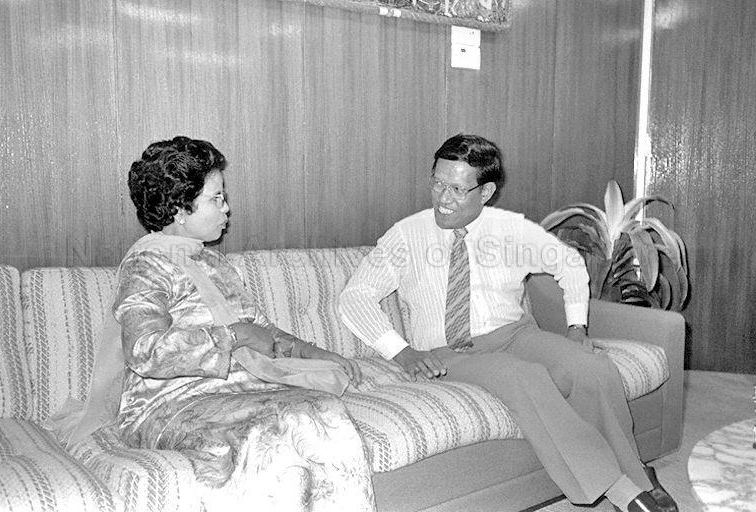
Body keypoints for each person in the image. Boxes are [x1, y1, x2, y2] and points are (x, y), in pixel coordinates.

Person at [338, 134, 677, 512]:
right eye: (436, 183)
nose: (442, 199)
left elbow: (568, 264)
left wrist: (576, 328)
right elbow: (354, 296)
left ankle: (637, 470)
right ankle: (621, 491)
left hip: (516, 335)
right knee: (524, 379)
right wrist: (400, 352)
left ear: (485, 193)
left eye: (456, 189)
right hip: (451, 353)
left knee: (591, 366)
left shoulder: (512, 231)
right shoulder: (406, 236)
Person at [101, 136, 373, 511]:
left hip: (237, 392)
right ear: (180, 208)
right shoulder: (145, 266)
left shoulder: (214, 264)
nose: (226, 208)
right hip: (170, 402)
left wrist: (320, 353)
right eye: (216, 198)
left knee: (325, 411)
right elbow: (145, 352)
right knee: (278, 434)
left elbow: (264, 332)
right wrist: (234, 335)